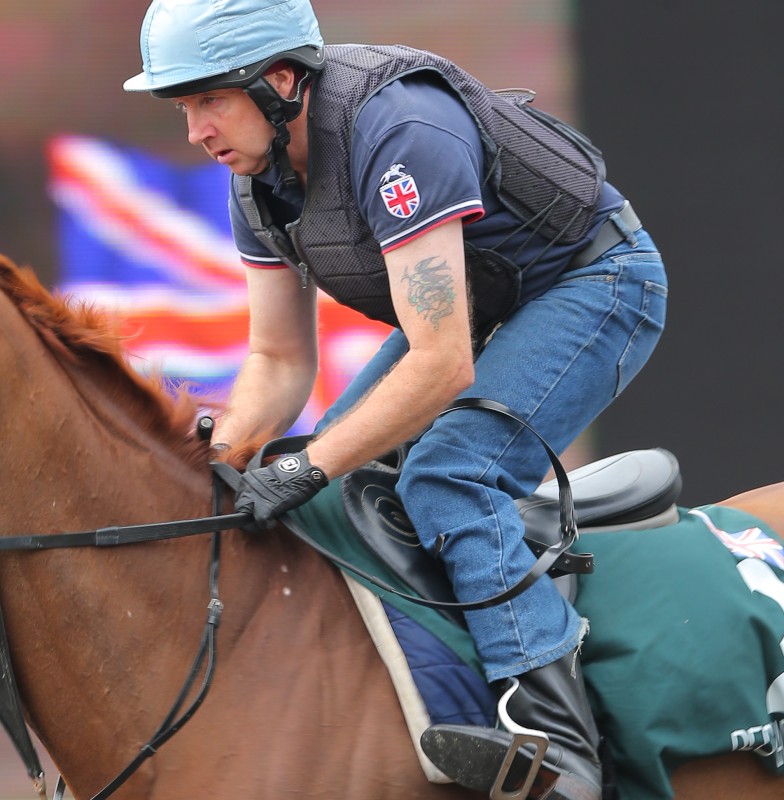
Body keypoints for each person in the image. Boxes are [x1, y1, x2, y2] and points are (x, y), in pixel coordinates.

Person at [125, 1, 667, 798]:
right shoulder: (256, 176)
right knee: (337, 488)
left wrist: (304, 467)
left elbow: (441, 362)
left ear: (280, 83)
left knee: (449, 474)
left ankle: (560, 749)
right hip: (486, 304)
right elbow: (276, 361)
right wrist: (218, 467)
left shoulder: (399, 125)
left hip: (596, 283)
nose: (196, 131)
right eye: (184, 108)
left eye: (210, 100)